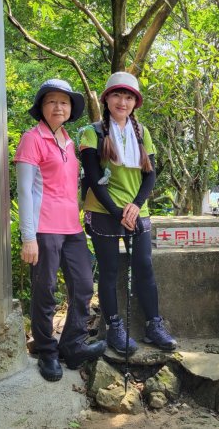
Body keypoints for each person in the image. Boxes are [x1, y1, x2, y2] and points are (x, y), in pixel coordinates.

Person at [14, 79, 107, 382]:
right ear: (41, 107)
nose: (58, 107)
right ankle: (46, 351)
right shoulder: (32, 138)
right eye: (51, 101)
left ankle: (72, 345)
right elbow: (25, 191)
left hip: (72, 228)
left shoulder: (69, 141)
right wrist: (28, 237)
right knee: (45, 292)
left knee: (82, 286)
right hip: (43, 229)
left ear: (70, 109)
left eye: (64, 102)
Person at [79, 71, 177, 355]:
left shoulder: (141, 132)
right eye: (117, 95)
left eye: (129, 96)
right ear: (106, 98)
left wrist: (135, 206)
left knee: (145, 268)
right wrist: (117, 210)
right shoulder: (92, 132)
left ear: (135, 102)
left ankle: (153, 325)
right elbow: (94, 178)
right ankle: (114, 328)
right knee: (109, 272)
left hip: (137, 210)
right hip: (104, 210)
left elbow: (150, 175)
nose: (123, 101)